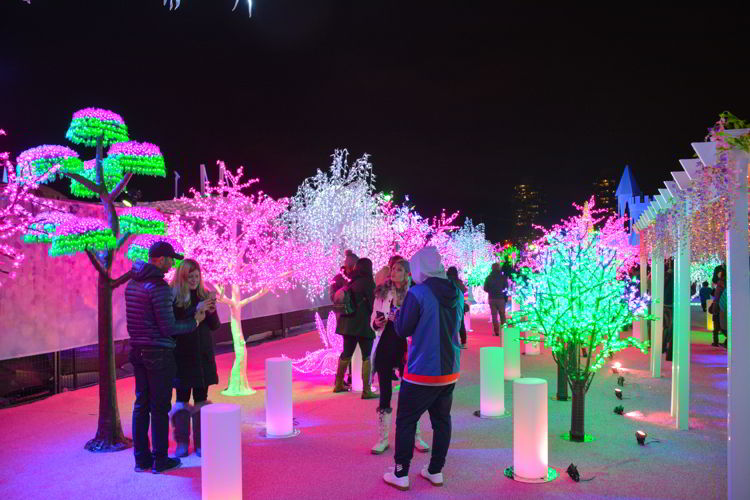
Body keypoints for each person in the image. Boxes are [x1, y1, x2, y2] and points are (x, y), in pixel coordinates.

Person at [383, 246, 463, 491]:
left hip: (421, 371)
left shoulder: (418, 293)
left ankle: (401, 473)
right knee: (442, 421)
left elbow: (403, 329)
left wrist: (396, 315)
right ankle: (435, 470)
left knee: (406, 420)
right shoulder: (457, 292)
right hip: (449, 369)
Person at [125, 242, 207, 474]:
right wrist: (195, 320)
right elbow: (169, 326)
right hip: (159, 354)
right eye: (170, 259)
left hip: (137, 351)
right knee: (159, 407)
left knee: (141, 404)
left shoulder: (132, 283)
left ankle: (141, 460)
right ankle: (160, 460)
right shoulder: (158, 287)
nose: (172, 264)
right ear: (159, 259)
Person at [369, 259, 430, 455]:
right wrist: (378, 322)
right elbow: (373, 321)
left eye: (399, 269)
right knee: (385, 392)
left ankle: (416, 436)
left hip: (407, 346)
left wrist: (404, 320)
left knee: (410, 393)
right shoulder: (382, 293)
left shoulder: (415, 293)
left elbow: (421, 322)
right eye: (393, 269)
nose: (394, 272)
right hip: (386, 344)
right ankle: (383, 438)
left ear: (407, 273)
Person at [169, 259, 220, 457]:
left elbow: (215, 326)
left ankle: (201, 443)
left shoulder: (204, 294)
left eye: (196, 276)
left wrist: (211, 311)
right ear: (182, 277)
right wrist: (196, 310)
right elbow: (174, 325)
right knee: (181, 400)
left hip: (203, 355)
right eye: (190, 276)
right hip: (183, 356)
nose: (194, 280)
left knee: (201, 399)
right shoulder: (174, 298)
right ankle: (182, 441)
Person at [332, 257, 378, 399]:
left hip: (347, 324)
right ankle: (366, 390)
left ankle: (338, 384)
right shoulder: (368, 282)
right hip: (363, 325)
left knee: (346, 353)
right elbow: (372, 304)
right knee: (366, 356)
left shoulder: (351, 280)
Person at [330, 250, 358, 386]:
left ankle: (350, 376)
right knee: (348, 349)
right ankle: (341, 379)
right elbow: (333, 298)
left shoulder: (356, 277)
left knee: (350, 349)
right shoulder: (339, 279)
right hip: (345, 318)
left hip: (353, 317)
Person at [483, 263, 508, 338]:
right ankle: (504, 331)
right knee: (502, 315)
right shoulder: (503, 277)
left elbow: (485, 288)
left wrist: (491, 291)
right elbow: (506, 287)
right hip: (501, 298)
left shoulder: (489, 277)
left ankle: (496, 331)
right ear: (499, 268)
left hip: (492, 298)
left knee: (494, 316)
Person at [446, 266, 468, 348]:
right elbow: (464, 290)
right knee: (461, 323)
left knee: (447, 323)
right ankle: (463, 342)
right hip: (459, 305)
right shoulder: (458, 282)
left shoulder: (445, 281)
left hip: (448, 305)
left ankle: (450, 341)